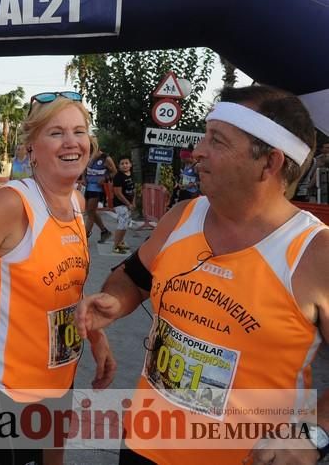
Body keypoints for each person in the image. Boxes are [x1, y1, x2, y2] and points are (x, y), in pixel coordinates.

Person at [75, 85, 329, 465]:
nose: (198, 151)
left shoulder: (315, 253)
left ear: (270, 162)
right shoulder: (183, 216)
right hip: (145, 445)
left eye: (218, 141)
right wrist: (115, 301)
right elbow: (133, 277)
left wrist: (315, 435)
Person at [0, 93, 116, 465]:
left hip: (60, 371)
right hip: (9, 383)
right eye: (56, 133)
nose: (71, 142)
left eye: (79, 132)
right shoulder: (12, 204)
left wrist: (97, 336)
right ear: (32, 148)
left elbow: (67, 287)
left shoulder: (76, 202)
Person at [84, 144, 117, 243]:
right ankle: (104, 231)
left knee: (90, 213)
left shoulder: (105, 158)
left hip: (97, 189)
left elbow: (114, 172)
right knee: (91, 212)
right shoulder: (87, 157)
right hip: (88, 187)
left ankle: (84, 238)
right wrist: (83, 178)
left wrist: (105, 178)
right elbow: (84, 169)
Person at [111, 156, 136, 254]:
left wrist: (133, 203)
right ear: (119, 166)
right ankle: (116, 245)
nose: (125, 165)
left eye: (126, 163)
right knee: (122, 224)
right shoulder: (118, 176)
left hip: (128, 204)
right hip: (120, 204)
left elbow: (134, 190)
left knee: (125, 224)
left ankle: (120, 242)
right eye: (122, 163)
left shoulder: (131, 175)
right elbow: (118, 193)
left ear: (130, 164)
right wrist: (128, 204)